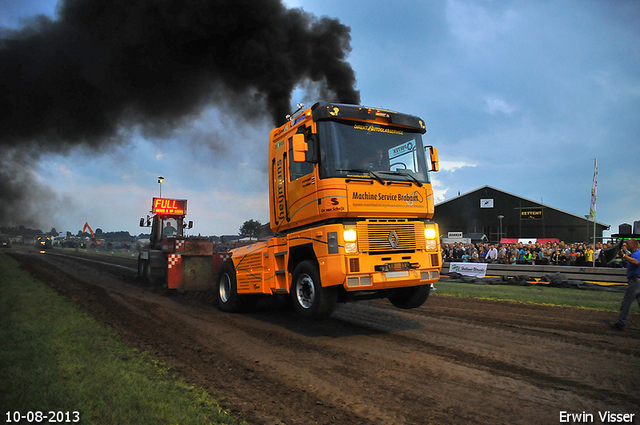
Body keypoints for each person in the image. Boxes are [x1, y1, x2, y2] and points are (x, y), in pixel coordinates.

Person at [610, 238, 640, 331]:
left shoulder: (637, 254)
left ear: (633, 245)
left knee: (626, 303)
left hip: (635, 283)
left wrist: (624, 256)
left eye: (628, 244)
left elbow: (636, 262)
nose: (626, 246)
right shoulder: (634, 254)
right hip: (637, 281)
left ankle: (621, 323)